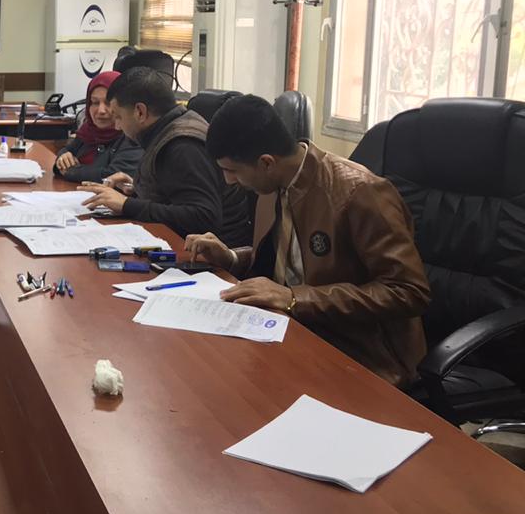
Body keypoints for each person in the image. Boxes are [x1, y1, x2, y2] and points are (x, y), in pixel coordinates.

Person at [184, 94, 430, 385]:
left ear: (266, 162)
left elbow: (408, 291)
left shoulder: (359, 192)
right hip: (289, 330)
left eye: (232, 171)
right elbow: (291, 259)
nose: (229, 181)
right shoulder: (272, 184)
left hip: (358, 352)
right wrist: (232, 258)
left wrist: (295, 298)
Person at [81, 67, 251, 247]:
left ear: (140, 112)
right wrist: (138, 188)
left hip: (210, 255)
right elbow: (179, 193)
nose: (117, 126)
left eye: (118, 117)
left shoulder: (183, 146)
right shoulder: (170, 125)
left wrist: (127, 205)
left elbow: (204, 217)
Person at [53, 71, 143, 184]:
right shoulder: (88, 130)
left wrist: (72, 171)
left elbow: (115, 176)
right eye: (95, 102)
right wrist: (63, 158)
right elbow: (67, 150)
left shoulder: (132, 134)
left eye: (108, 103)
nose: (101, 111)